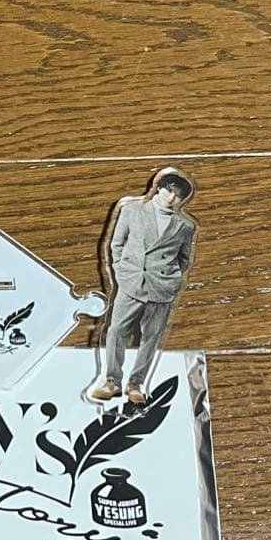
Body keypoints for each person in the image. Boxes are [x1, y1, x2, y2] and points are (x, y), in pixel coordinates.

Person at [93, 168, 197, 404]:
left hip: (161, 288)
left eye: (178, 196)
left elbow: (183, 259)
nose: (172, 198)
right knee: (116, 330)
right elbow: (116, 244)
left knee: (151, 337)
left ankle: (136, 384)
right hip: (131, 282)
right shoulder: (132, 210)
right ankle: (112, 381)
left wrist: (170, 279)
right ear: (158, 188)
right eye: (169, 191)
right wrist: (122, 271)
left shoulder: (185, 226)